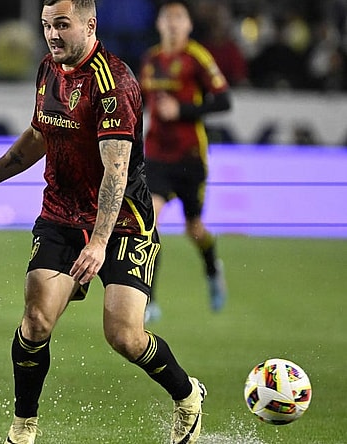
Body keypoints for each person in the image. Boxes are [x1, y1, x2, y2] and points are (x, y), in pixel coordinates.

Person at [0, 1, 205, 443]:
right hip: (61, 214)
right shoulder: (48, 69)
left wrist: (98, 244)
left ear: (90, 24)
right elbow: (40, 134)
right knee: (36, 320)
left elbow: (116, 172)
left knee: (124, 336)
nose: (52, 35)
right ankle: (23, 428)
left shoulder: (114, 82)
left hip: (122, 222)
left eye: (62, 25)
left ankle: (188, 395)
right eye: (46, 26)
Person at [139, 0, 231, 322]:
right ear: (160, 25)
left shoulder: (197, 58)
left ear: (189, 25)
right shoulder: (150, 60)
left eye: (180, 18)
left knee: (194, 228)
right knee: (149, 225)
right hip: (156, 157)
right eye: (168, 18)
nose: (174, 24)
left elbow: (224, 101)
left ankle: (211, 268)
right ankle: (148, 301)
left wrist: (182, 111)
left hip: (190, 156)